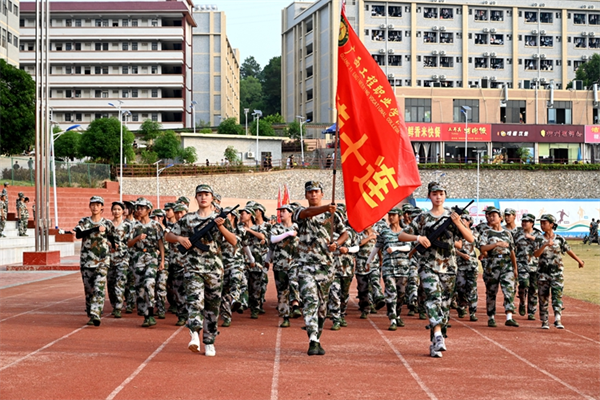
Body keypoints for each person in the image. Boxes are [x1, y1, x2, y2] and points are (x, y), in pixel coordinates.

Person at [398, 182, 474, 358]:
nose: (438, 197)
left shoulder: (453, 216)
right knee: (433, 299)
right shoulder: (423, 218)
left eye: (441, 193)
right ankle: (439, 335)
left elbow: (470, 239)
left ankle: (435, 342)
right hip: (428, 266)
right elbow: (401, 235)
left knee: (444, 307)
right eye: (434, 194)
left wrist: (458, 223)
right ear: (429, 196)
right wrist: (418, 238)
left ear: (445, 195)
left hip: (449, 267)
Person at [166, 184, 237, 357]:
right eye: (200, 195)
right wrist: (180, 238)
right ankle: (194, 334)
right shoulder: (188, 219)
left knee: (212, 307)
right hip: (193, 267)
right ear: (196, 198)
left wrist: (221, 226)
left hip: (214, 269)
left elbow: (234, 241)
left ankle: (209, 341)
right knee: (195, 301)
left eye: (206, 194)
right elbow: (168, 235)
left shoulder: (220, 218)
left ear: (212, 197)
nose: (203, 197)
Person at [293, 181, 348, 356]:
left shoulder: (333, 215)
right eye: (310, 192)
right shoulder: (300, 212)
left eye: (316, 191)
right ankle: (313, 339)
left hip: (326, 266)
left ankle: (317, 334)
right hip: (306, 265)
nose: (313, 194)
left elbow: (345, 232)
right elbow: (307, 213)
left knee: (323, 306)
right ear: (306, 195)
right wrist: (327, 208)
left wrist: (336, 244)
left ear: (322, 193)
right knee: (311, 300)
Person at [534, 214, 585, 329]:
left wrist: (579, 261)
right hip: (543, 273)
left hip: (557, 273)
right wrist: (545, 245)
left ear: (552, 224)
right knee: (543, 298)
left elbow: (568, 250)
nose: (542, 225)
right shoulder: (539, 239)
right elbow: (536, 254)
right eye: (541, 223)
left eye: (545, 223)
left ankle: (558, 318)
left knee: (557, 295)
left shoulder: (559, 239)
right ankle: (545, 321)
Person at [74, 196, 117, 326]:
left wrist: (113, 246)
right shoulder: (84, 221)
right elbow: (78, 234)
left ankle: (96, 313)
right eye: (93, 205)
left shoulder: (107, 223)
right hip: (87, 261)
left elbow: (112, 237)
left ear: (102, 207)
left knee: (99, 287)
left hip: (102, 261)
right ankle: (91, 312)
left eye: (98, 205)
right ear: (89, 206)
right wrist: (95, 229)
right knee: (89, 289)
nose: (95, 207)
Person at [479, 206, 519, 328]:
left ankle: (509, 317)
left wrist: (515, 267)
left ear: (500, 218)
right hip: (492, 264)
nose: (491, 218)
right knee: (491, 291)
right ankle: (491, 317)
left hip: (506, 264)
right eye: (490, 216)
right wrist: (496, 244)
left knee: (509, 289)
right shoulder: (486, 233)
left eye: (494, 216)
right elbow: (482, 248)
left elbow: (512, 251)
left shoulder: (507, 233)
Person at [127, 198, 165, 327]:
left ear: (149, 210)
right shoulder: (134, 226)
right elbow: (128, 244)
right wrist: (137, 238)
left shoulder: (155, 225)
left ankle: (151, 313)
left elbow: (161, 243)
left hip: (152, 256)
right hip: (138, 257)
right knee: (140, 287)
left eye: (142, 208)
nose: (139, 210)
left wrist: (162, 261)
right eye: (138, 208)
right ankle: (145, 315)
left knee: (150, 283)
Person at [378, 207, 413, 330]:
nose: (391, 217)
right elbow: (377, 247)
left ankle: (397, 315)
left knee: (401, 294)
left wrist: (395, 248)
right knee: (391, 293)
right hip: (388, 267)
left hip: (403, 267)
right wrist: (368, 261)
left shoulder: (406, 231)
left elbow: (408, 247)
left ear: (400, 217)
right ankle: (392, 318)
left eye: (394, 215)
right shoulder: (384, 232)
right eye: (390, 215)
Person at [268, 204, 299, 328]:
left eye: (284, 211)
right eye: (280, 211)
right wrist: (287, 234)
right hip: (279, 264)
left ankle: (295, 305)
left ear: (291, 213)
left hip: (294, 263)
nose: (281, 213)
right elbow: (273, 240)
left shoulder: (297, 227)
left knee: (294, 283)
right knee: (282, 292)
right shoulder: (276, 227)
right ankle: (285, 317)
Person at [513, 213, 541, 321]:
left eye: (526, 221)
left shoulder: (538, 234)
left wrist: (532, 238)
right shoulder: (517, 234)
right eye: (523, 221)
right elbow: (512, 248)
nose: (524, 223)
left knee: (533, 289)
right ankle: (522, 302)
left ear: (532, 223)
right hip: (521, 264)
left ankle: (531, 312)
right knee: (524, 284)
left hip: (535, 265)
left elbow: (543, 244)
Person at [220, 207, 245, 327]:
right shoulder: (218, 230)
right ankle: (226, 317)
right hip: (223, 264)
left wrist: (251, 259)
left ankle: (235, 299)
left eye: (227, 214)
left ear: (233, 216)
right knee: (224, 291)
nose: (224, 216)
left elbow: (244, 245)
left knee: (236, 280)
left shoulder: (240, 230)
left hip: (236, 262)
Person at [108, 201, 131, 318]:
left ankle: (118, 307)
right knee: (110, 284)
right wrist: (109, 244)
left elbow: (130, 241)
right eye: (114, 209)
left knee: (120, 282)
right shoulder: (107, 224)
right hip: (109, 259)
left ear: (122, 211)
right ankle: (114, 305)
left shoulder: (127, 226)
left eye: (119, 209)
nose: (116, 211)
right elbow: (102, 238)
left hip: (123, 258)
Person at [454, 213, 479, 321]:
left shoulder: (474, 232)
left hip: (472, 265)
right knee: (460, 287)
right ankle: (461, 306)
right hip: (459, 265)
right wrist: (461, 255)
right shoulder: (456, 233)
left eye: (464, 219)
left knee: (472, 288)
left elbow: (475, 242)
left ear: (469, 222)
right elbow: (451, 247)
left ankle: (472, 312)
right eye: (461, 219)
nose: (462, 220)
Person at [355, 224, 380, 318]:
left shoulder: (377, 234)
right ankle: (365, 308)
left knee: (375, 281)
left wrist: (381, 259)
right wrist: (369, 238)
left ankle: (377, 300)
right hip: (361, 265)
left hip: (373, 264)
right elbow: (357, 244)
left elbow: (379, 248)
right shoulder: (358, 234)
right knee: (363, 289)